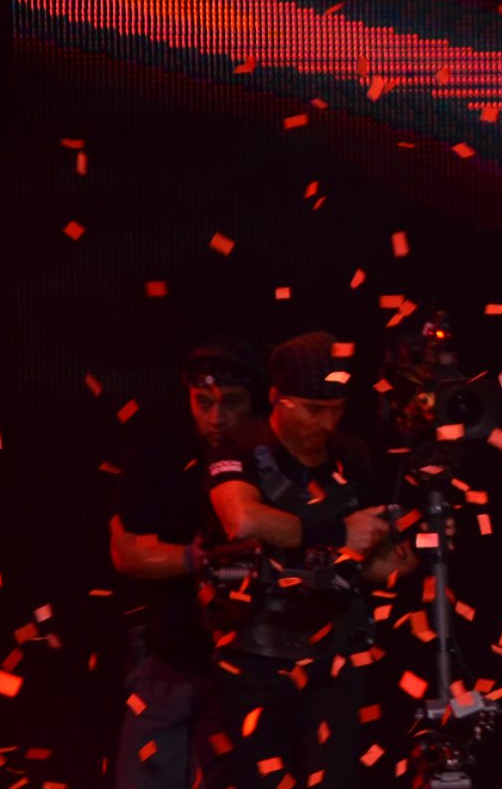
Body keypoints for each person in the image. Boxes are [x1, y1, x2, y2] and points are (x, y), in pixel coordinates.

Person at [192, 331, 408, 789]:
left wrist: (405, 554)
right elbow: (242, 519)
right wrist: (336, 530)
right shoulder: (239, 447)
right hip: (253, 656)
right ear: (278, 399)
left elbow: (375, 569)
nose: (326, 423)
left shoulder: (353, 456)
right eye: (313, 409)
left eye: (336, 409)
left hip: (333, 657)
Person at [109, 340, 265, 789]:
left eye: (231, 403)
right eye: (204, 403)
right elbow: (125, 551)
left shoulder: (273, 456)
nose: (216, 418)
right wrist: (198, 558)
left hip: (250, 666)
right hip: (171, 659)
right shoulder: (161, 454)